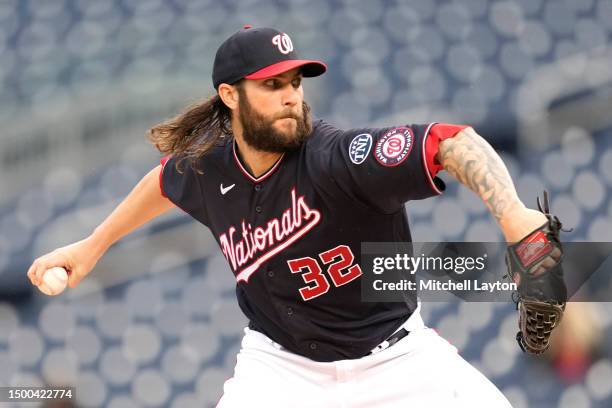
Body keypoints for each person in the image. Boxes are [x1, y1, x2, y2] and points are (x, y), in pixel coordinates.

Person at [27, 26, 547, 407]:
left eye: (295, 82)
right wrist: (92, 244)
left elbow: (452, 143)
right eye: (272, 86)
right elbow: (163, 181)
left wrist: (512, 215)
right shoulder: (209, 170)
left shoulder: (341, 157)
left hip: (396, 362)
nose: (291, 96)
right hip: (281, 372)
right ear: (230, 96)